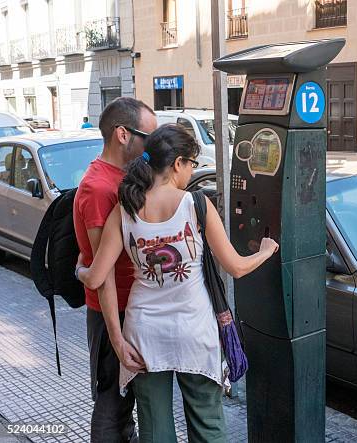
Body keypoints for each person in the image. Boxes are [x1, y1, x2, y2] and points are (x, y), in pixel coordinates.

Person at [75, 124, 280, 442]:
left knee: (155, 429)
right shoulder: (196, 205)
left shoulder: (124, 210)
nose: (191, 171)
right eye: (192, 164)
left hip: (144, 334)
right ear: (177, 163)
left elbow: (98, 278)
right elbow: (236, 268)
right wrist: (265, 252)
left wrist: (80, 270)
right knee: (207, 424)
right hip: (194, 332)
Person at [73, 97, 157, 442]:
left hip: (133, 307)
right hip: (113, 312)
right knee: (112, 405)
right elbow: (102, 272)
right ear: (123, 134)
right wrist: (117, 339)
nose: (152, 147)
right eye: (148, 138)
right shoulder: (98, 188)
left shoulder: (123, 177)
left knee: (128, 408)